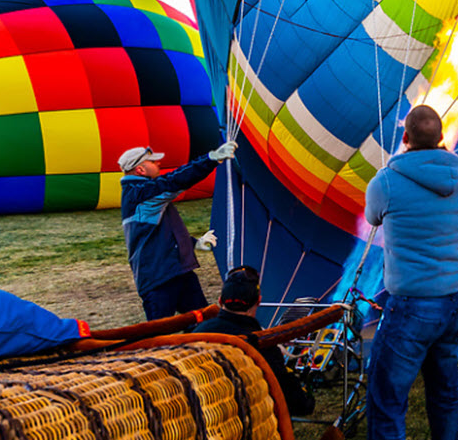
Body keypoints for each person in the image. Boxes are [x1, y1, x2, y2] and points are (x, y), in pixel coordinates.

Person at [363, 105, 458, 440]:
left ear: (405, 137)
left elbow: (372, 218)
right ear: (443, 137)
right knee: (445, 392)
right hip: (456, 302)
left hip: (413, 304)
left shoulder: (387, 181)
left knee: (387, 399)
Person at [119, 142, 236, 320]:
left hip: (178, 272)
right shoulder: (140, 194)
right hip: (158, 278)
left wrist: (195, 243)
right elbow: (175, 181)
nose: (158, 164)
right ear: (140, 170)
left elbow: (161, 232)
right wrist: (211, 159)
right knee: (159, 336)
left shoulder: (144, 193)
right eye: (153, 162)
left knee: (203, 323)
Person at [192, 266, 316, 417]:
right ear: (259, 301)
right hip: (241, 419)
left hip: (199, 413)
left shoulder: (198, 333)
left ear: (220, 301)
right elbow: (297, 405)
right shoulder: (262, 346)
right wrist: (307, 396)